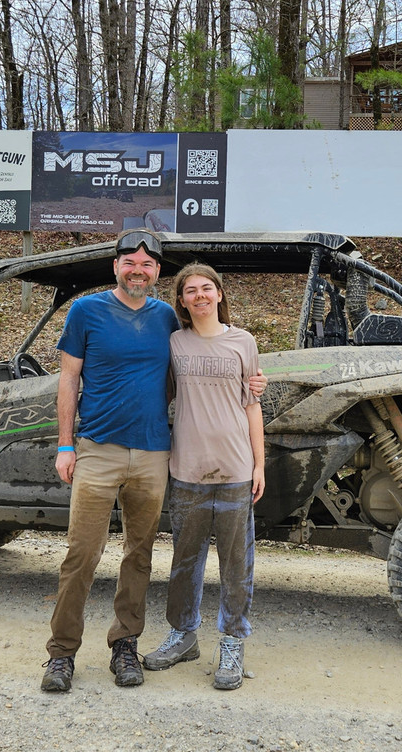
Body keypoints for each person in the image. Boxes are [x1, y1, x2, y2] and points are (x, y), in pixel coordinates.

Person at [40, 230, 265, 693]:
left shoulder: (168, 319)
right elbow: (67, 379)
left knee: (139, 555)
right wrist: (66, 444)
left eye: (147, 264)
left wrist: (255, 384)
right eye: (130, 262)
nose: (138, 270)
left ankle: (126, 644)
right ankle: (62, 653)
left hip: (154, 453)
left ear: (157, 273)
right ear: (116, 267)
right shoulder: (86, 311)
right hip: (97, 448)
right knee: (81, 554)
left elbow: (225, 372)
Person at [141, 263, 264, 690]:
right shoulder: (174, 342)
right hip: (187, 470)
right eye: (190, 290)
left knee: (236, 564)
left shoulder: (243, 342)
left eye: (206, 288)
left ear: (219, 293)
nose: (199, 295)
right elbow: (159, 387)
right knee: (184, 560)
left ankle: (232, 641)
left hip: (234, 468)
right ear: (181, 301)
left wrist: (259, 464)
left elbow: (252, 404)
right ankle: (182, 635)